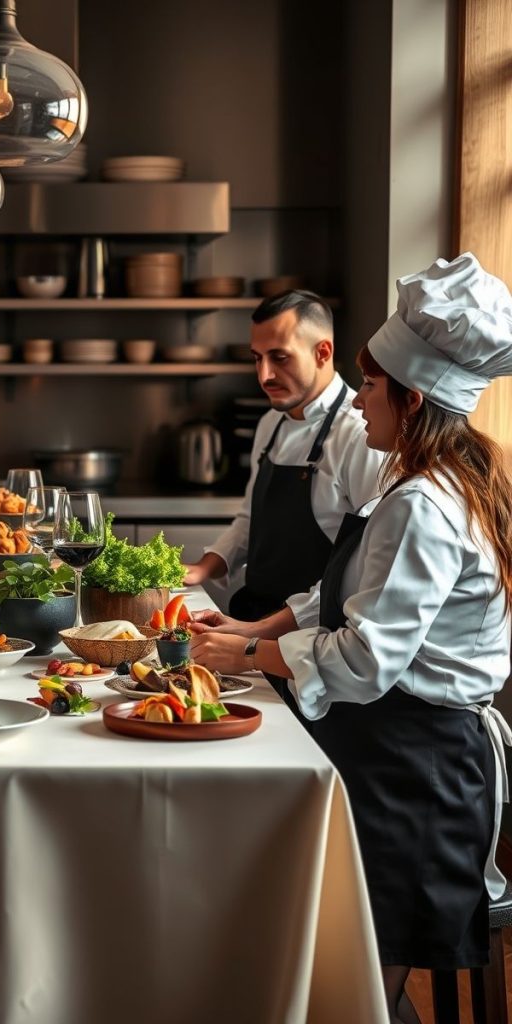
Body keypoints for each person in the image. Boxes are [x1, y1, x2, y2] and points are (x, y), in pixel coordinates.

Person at [191, 253, 512, 1024]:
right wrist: (257, 632)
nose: (360, 400)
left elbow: (366, 660)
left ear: (410, 396)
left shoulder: (420, 505)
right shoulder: (427, 483)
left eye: (370, 385)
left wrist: (249, 654)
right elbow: (342, 596)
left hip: (416, 775)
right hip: (400, 744)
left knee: (345, 978)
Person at [181, 290, 384, 711]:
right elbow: (249, 517)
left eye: (279, 357)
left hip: (310, 646)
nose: (264, 374)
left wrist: (259, 636)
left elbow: (360, 571)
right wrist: (203, 568)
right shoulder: (270, 423)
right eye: (257, 358)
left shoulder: (361, 436)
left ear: (323, 351)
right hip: (256, 623)